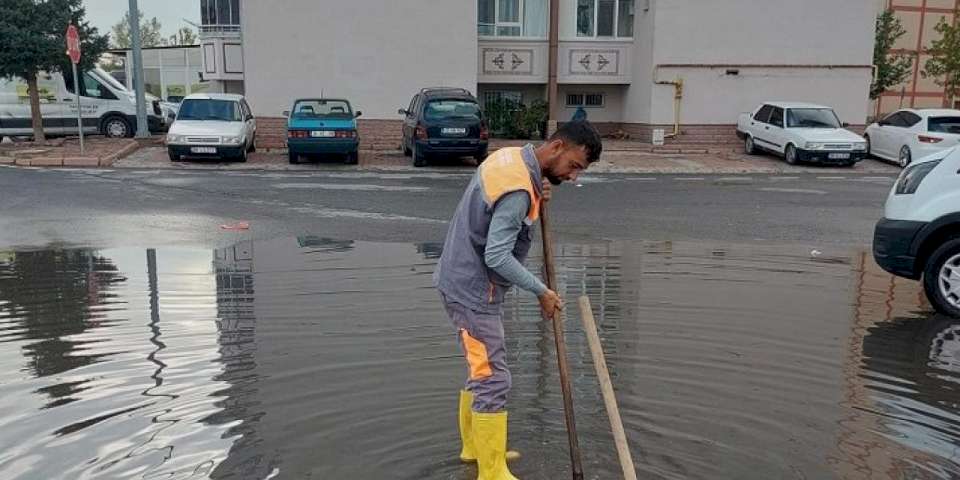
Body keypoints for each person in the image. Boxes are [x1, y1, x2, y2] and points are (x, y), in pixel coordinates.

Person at [433, 122, 603, 479]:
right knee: (494, 378)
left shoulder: (513, 159)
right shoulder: (519, 189)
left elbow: (509, 203)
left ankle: (475, 450)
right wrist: (542, 291)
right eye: (574, 166)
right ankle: (492, 472)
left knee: (481, 371)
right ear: (557, 147)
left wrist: (538, 192)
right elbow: (497, 256)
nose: (573, 177)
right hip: (473, 292)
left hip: (461, 279)